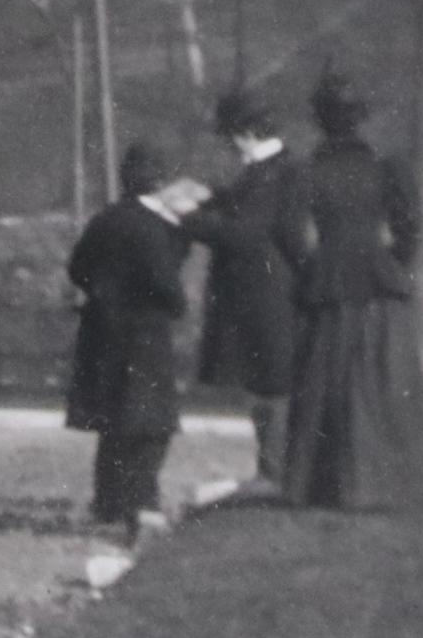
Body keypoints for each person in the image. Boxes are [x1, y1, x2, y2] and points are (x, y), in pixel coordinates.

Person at [282, 74, 423, 511]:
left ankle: (323, 487)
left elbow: (292, 235)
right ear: (359, 120)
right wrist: (391, 264)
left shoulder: (305, 171)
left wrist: (314, 268)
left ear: (320, 122)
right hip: (376, 280)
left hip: (328, 282)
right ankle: (389, 484)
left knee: (326, 384)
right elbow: (410, 228)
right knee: (383, 381)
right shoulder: (386, 167)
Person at [182, 85, 312, 493]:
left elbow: (245, 231)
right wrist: (212, 196)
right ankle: (274, 471)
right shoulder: (273, 168)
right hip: (264, 293)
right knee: (265, 381)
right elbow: (245, 208)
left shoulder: (273, 172)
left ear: (245, 133)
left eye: (231, 136)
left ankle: (274, 474)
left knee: (271, 384)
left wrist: (189, 217)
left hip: (267, 295)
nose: (230, 145)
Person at [63, 141, 196, 538]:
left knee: (114, 420)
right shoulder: (154, 227)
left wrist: (104, 293)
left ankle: (109, 502)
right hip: (144, 332)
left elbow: (77, 267)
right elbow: (165, 282)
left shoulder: (106, 219)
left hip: (103, 329)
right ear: (158, 182)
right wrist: (175, 306)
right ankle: (140, 502)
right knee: (152, 424)